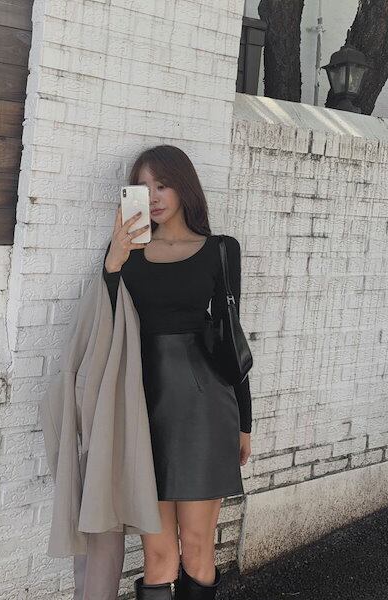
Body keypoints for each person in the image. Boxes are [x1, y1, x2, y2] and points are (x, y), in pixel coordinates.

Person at [103, 145, 252, 600]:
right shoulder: (126, 253)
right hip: (143, 406)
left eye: (163, 185)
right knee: (158, 556)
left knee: (198, 549)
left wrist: (245, 422)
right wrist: (113, 262)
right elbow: (107, 325)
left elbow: (231, 339)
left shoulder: (221, 250)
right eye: (142, 187)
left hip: (204, 409)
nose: (153, 196)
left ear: (184, 187)